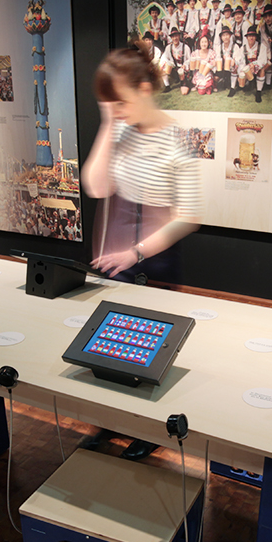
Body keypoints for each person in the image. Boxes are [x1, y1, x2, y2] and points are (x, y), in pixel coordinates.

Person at [82, 39, 202, 460]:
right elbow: (97, 186)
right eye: (109, 103)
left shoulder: (176, 141)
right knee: (108, 343)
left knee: (148, 347)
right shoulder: (119, 128)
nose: (118, 110)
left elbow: (188, 216)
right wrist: (107, 121)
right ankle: (110, 422)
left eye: (122, 101)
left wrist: (135, 252)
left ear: (145, 89)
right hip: (117, 253)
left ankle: (148, 428)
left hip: (156, 255)